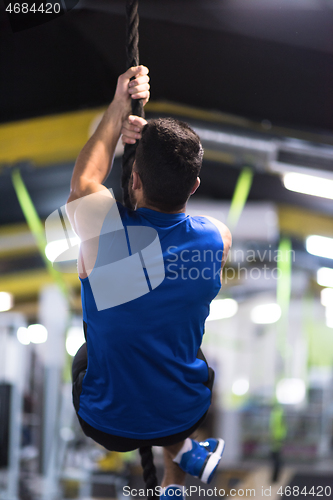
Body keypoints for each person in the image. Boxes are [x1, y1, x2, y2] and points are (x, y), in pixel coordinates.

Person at [66, 65, 232, 498]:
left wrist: (119, 107)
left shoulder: (105, 237)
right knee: (176, 343)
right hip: (184, 414)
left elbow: (86, 180)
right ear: (194, 185)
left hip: (105, 423)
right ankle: (178, 472)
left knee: (89, 350)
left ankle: (184, 458)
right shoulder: (218, 238)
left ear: (133, 179)